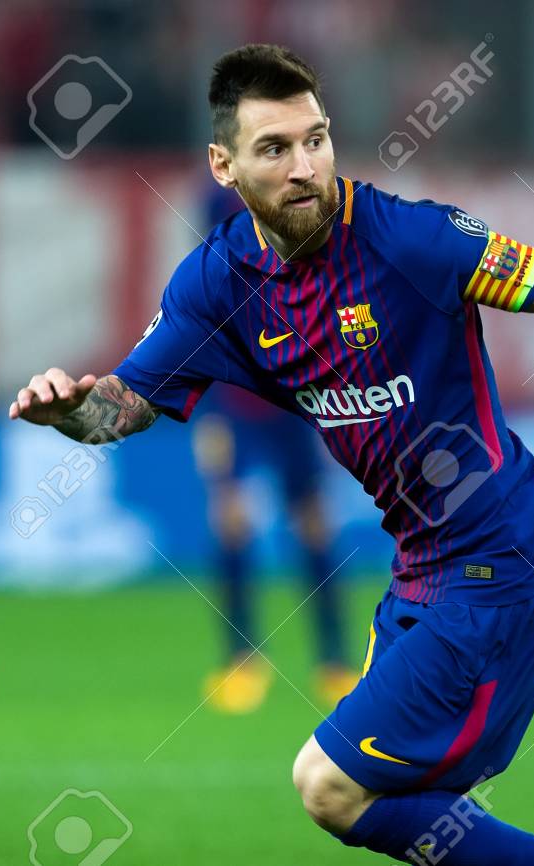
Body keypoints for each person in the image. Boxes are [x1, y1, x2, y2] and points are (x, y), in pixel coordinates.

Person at [10, 44, 534, 865]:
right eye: (274, 148)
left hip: (504, 559)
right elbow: (121, 407)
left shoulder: (411, 239)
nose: (305, 168)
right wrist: (70, 412)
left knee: (328, 784)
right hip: (421, 571)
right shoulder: (217, 284)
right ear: (223, 165)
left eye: (315, 140)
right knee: (403, 805)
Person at [194, 183, 356, 714]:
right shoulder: (212, 267)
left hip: (294, 405)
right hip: (234, 406)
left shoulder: (304, 232)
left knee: (314, 525)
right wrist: (208, 419)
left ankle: (335, 660)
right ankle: (240, 659)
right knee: (232, 522)